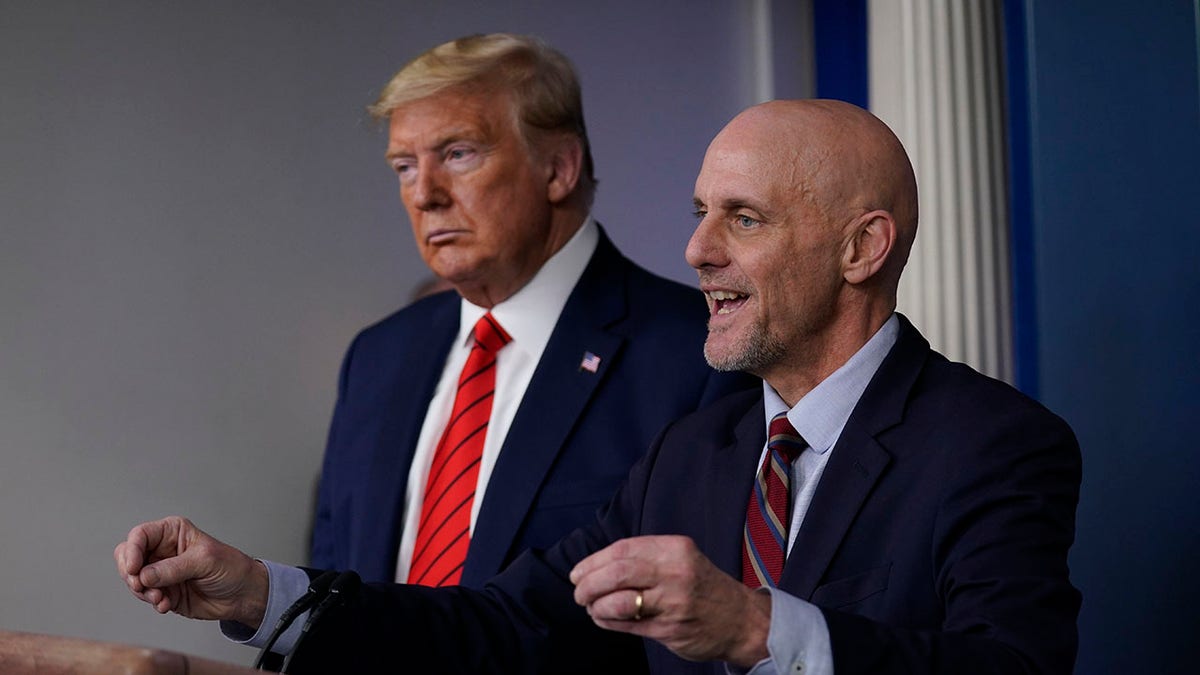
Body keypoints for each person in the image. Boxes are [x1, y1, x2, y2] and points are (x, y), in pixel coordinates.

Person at [116, 99, 1082, 674]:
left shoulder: (995, 444)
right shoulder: (688, 454)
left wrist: (758, 627)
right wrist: (263, 592)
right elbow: (496, 628)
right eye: (700, 213)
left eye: (742, 218)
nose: (698, 249)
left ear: (862, 246)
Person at [309, 33, 749, 590]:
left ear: (559, 169)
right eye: (404, 166)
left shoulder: (699, 355)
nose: (424, 195)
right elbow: (327, 590)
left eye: (457, 154)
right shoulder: (377, 356)